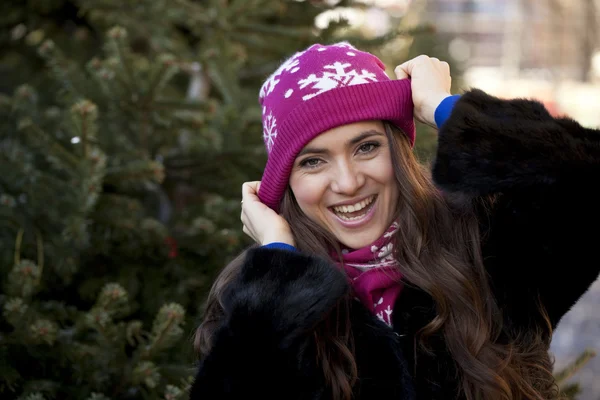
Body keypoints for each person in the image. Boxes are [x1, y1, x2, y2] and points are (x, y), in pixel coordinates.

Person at [188, 42, 600, 400]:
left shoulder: (483, 246)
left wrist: (443, 107)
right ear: (285, 182)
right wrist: (279, 264)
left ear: (399, 150)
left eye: (366, 147)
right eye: (313, 161)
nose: (348, 183)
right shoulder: (256, 295)